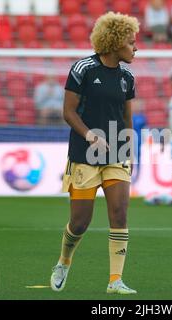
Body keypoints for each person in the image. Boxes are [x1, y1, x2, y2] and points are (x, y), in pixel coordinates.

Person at [50, 12, 139, 295]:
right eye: (131, 42)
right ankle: (64, 260)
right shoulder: (83, 69)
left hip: (115, 156)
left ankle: (116, 280)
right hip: (84, 156)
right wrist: (90, 136)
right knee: (80, 222)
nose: (136, 48)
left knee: (120, 213)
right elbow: (68, 112)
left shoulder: (127, 76)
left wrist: (130, 152)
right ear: (114, 43)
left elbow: (127, 117)